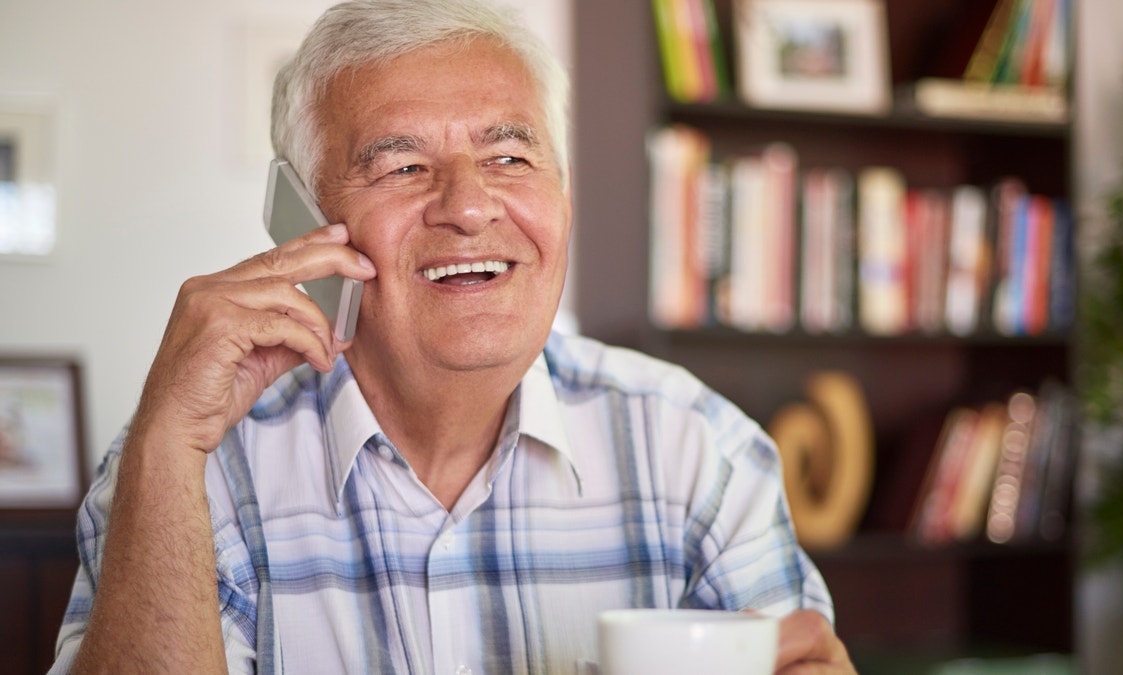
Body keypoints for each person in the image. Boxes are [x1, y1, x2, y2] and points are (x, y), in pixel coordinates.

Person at [50, 1, 855, 672]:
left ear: (563, 200)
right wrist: (166, 448)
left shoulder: (699, 449)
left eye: (510, 156)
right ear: (302, 223)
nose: (468, 206)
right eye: (402, 168)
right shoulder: (187, 467)